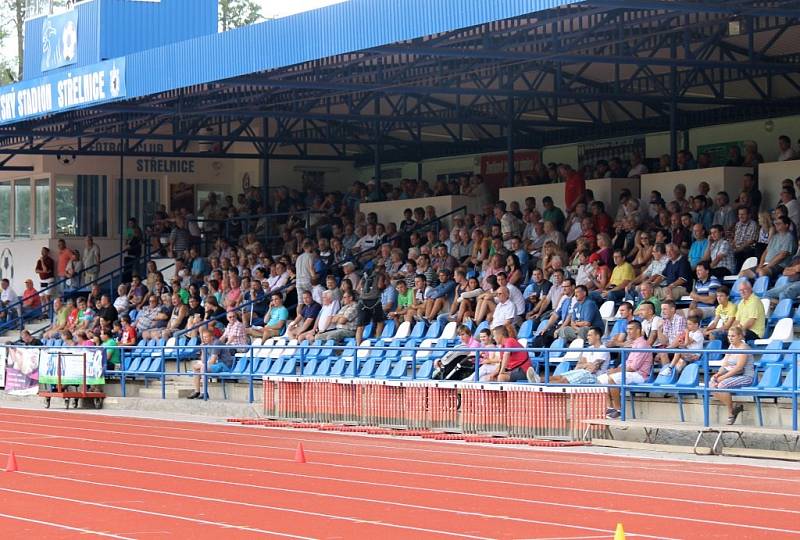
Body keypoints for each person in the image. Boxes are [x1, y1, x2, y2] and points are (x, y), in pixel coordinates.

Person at [598, 320, 653, 419]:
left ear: (638, 330)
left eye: (631, 329)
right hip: (631, 372)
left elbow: (633, 368)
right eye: (627, 329)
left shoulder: (642, 344)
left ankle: (619, 409)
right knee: (601, 379)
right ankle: (610, 407)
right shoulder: (635, 344)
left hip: (640, 375)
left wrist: (615, 371)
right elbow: (628, 365)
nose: (628, 331)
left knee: (612, 378)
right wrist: (616, 369)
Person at [711, 326, 754, 425]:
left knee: (722, 385)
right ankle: (733, 409)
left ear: (740, 336)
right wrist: (718, 374)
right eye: (729, 336)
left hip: (746, 376)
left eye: (733, 336)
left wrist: (723, 377)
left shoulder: (744, 348)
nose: (730, 338)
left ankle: (731, 413)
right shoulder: (731, 347)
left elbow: (739, 368)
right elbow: (725, 364)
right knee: (711, 384)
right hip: (733, 375)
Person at [545, 327, 610, 385]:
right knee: (559, 377)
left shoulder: (603, 349)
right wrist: (587, 365)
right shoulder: (589, 349)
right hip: (583, 372)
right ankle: (537, 381)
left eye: (590, 335)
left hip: (594, 377)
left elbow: (593, 369)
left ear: (597, 336)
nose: (587, 337)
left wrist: (585, 365)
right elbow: (579, 365)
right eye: (587, 335)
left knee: (564, 380)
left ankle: (543, 389)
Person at [188, 329, 233, 400]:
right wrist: (203, 349)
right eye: (203, 337)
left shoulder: (216, 343)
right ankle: (197, 391)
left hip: (225, 365)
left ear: (212, 337)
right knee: (195, 368)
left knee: (203, 368)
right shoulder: (207, 345)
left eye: (206, 337)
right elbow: (203, 360)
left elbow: (212, 361)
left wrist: (202, 365)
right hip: (217, 364)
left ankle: (204, 393)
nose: (204, 339)